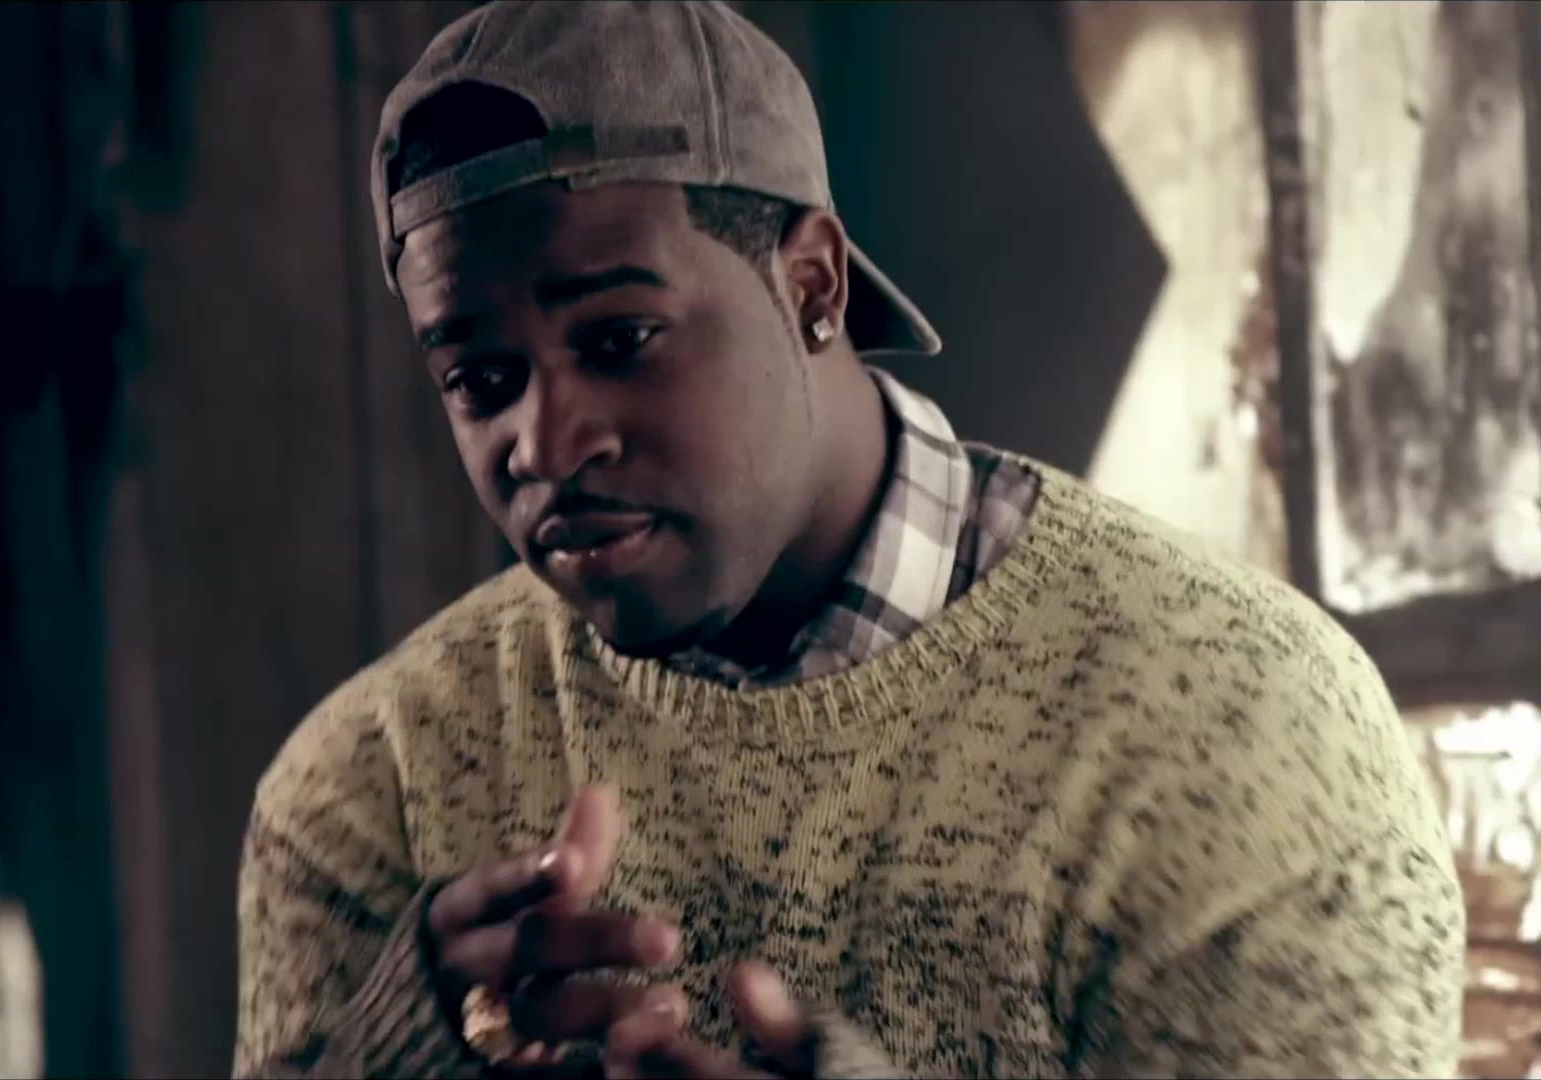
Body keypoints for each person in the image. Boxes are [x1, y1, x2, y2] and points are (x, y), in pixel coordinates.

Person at [234, 3, 1465, 1077]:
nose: (546, 442)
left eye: (618, 340)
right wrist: (402, 1046)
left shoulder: (1244, 729)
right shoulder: (372, 785)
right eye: (480, 380)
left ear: (814, 286)